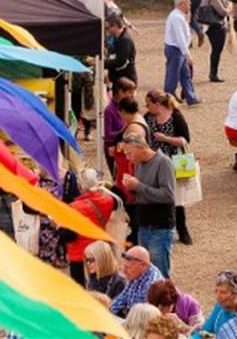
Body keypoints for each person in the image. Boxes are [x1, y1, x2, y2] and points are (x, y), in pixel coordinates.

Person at [120, 132, 176, 277]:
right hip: (143, 225)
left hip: (160, 228)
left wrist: (138, 186)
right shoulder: (139, 165)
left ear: (140, 148)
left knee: (159, 274)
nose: (127, 158)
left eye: (129, 153)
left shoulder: (163, 163)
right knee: (143, 273)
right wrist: (131, 189)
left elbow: (168, 195)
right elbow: (143, 194)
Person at [144, 91, 194, 245]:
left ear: (157, 103)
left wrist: (165, 138)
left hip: (173, 162)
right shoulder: (148, 117)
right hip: (153, 162)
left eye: (148, 104)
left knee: (176, 198)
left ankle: (182, 229)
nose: (146, 107)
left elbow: (185, 140)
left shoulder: (176, 116)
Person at [63, 168, 119, 285]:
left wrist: (57, 227)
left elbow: (69, 236)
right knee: (100, 287)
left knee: (81, 291)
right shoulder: (108, 201)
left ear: (80, 186)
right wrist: (107, 186)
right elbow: (120, 198)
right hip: (100, 252)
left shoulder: (74, 207)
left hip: (79, 256)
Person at [163, 0, 199, 105]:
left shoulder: (179, 16)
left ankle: (190, 97)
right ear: (182, 4)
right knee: (173, 75)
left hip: (178, 50)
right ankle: (168, 96)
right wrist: (187, 55)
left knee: (185, 74)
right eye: (188, 3)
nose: (190, 5)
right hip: (175, 49)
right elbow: (180, 38)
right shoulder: (176, 17)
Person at [110, 247, 165, 317]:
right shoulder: (136, 273)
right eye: (124, 267)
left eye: (128, 267)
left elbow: (142, 317)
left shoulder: (152, 284)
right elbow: (122, 298)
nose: (124, 272)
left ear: (143, 265)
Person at [200, 0, 232, 83]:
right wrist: (229, 8)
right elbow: (223, 12)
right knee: (217, 51)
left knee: (215, 50)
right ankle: (213, 74)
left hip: (209, 26)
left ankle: (213, 73)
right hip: (216, 26)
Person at [199, 271, 237, 338]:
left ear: (236, 293)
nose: (218, 297)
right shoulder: (219, 307)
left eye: (223, 292)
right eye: (216, 291)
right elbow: (204, 331)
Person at [106, 15, 137, 85]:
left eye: (108, 27)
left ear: (115, 26)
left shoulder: (124, 40)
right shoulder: (119, 38)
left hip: (126, 81)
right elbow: (113, 50)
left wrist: (103, 63)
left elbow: (120, 61)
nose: (107, 30)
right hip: (122, 79)